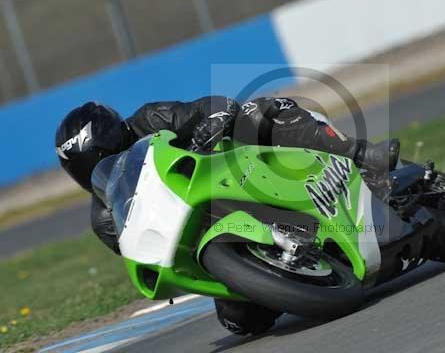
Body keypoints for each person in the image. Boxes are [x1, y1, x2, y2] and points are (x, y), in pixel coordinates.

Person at [55, 96, 399, 335]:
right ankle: (299, 266)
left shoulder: (150, 119)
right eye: (87, 166)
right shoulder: (105, 216)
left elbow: (211, 106)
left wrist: (212, 123)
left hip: (241, 170)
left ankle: (362, 155)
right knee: (240, 321)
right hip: (215, 236)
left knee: (260, 112)